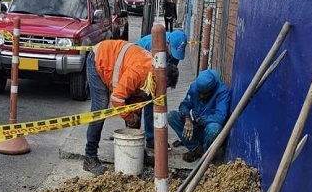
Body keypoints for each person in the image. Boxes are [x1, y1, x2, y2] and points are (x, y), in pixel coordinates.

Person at [84, 40, 178, 175]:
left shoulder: (152, 74)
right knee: (100, 109)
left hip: (119, 64)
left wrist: (135, 114)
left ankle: (138, 154)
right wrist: (129, 117)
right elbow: (116, 99)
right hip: (99, 60)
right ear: (159, 78)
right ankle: (90, 157)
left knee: (135, 113)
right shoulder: (139, 72)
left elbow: (137, 94)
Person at [135, 30, 187, 149]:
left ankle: (154, 137)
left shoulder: (175, 50)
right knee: (144, 103)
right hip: (140, 67)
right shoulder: (152, 45)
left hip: (155, 70)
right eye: (172, 52)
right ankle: (140, 138)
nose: (175, 57)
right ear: (167, 43)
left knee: (158, 101)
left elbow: (171, 70)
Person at [168, 69, 230, 162]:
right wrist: (187, 118)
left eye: (204, 94)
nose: (201, 96)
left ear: (212, 90)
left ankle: (206, 156)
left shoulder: (222, 92)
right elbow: (184, 105)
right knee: (172, 116)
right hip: (195, 128)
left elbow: (220, 117)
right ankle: (196, 149)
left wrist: (200, 120)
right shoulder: (194, 88)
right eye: (199, 93)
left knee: (214, 128)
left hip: (208, 133)